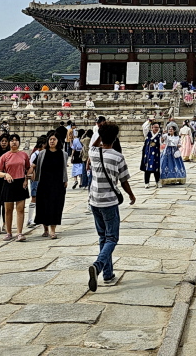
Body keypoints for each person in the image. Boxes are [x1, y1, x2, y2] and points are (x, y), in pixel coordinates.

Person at [87, 123, 136, 291]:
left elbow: (93, 144)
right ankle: (99, 266)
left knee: (103, 237)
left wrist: (100, 134)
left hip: (94, 201)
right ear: (115, 138)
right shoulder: (117, 157)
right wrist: (131, 195)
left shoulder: (93, 152)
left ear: (100, 136)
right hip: (109, 201)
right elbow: (124, 181)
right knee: (112, 237)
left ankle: (108, 274)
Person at [31, 132, 68, 239]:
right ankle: (45, 228)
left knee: (55, 206)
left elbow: (64, 169)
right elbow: (34, 166)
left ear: (57, 141)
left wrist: (65, 180)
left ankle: (53, 230)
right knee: (44, 206)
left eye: (54, 139)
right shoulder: (42, 154)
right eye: (50, 139)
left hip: (57, 184)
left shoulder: (63, 154)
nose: (52, 141)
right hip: (44, 184)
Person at [0, 135, 30, 241]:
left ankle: (20, 232)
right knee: (8, 210)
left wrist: (26, 179)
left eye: (16, 141)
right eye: (12, 141)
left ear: (19, 142)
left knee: (20, 209)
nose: (14, 142)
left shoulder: (24, 155)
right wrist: (5, 175)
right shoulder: (5, 156)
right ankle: (9, 232)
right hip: (9, 183)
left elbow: (28, 169)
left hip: (20, 182)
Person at [26, 135, 46, 228]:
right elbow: (31, 166)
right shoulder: (36, 154)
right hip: (36, 179)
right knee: (34, 198)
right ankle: (30, 220)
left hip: (42, 178)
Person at [140, 123, 162, 187]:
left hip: (156, 154)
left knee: (156, 169)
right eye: (155, 127)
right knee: (147, 169)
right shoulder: (147, 133)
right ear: (152, 127)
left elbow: (162, 143)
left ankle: (157, 182)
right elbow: (144, 126)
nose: (156, 129)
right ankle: (146, 183)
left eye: (157, 127)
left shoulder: (160, 135)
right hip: (148, 154)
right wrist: (149, 121)